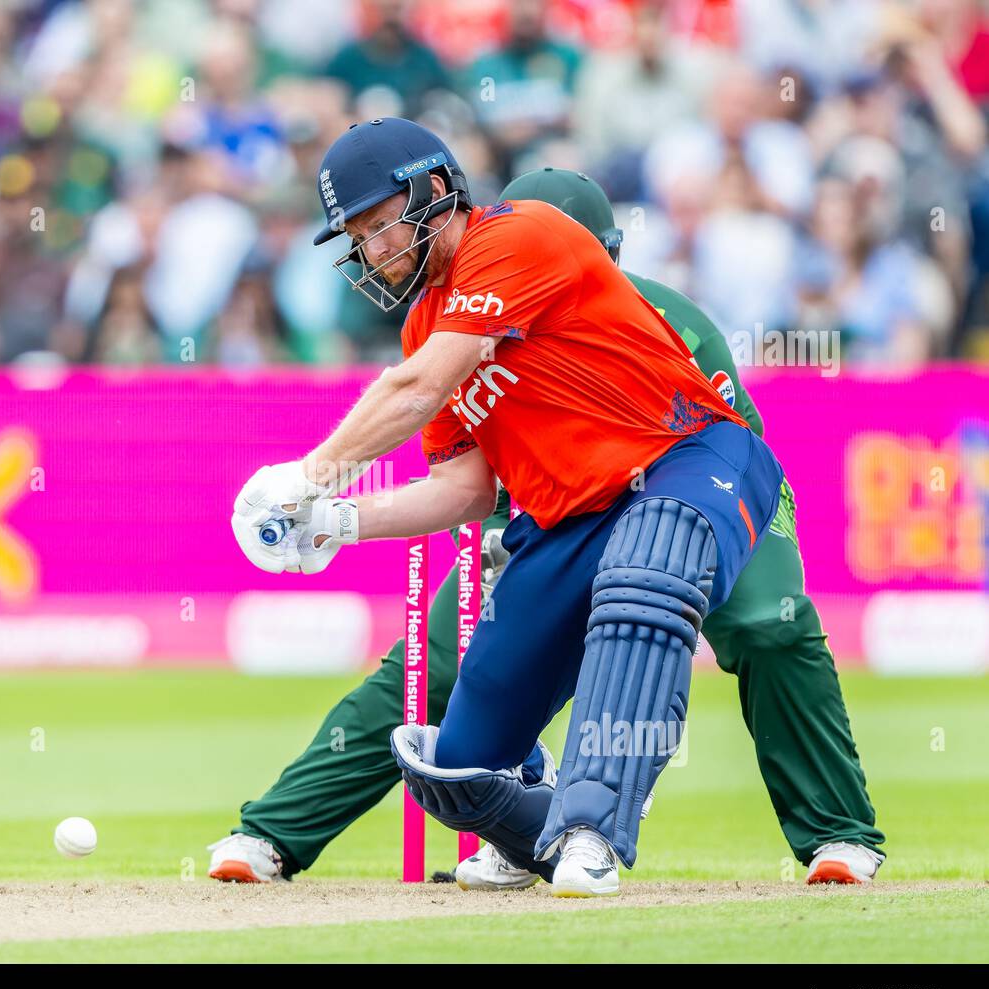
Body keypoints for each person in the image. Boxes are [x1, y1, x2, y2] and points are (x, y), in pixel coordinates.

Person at [210, 167, 885, 891]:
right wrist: (346, 519)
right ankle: (286, 832)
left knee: (765, 624)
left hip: (706, 493)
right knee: (441, 661)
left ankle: (836, 833)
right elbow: (472, 482)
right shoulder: (455, 314)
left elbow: (734, 440)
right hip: (557, 511)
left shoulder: (669, 317)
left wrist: (318, 475)